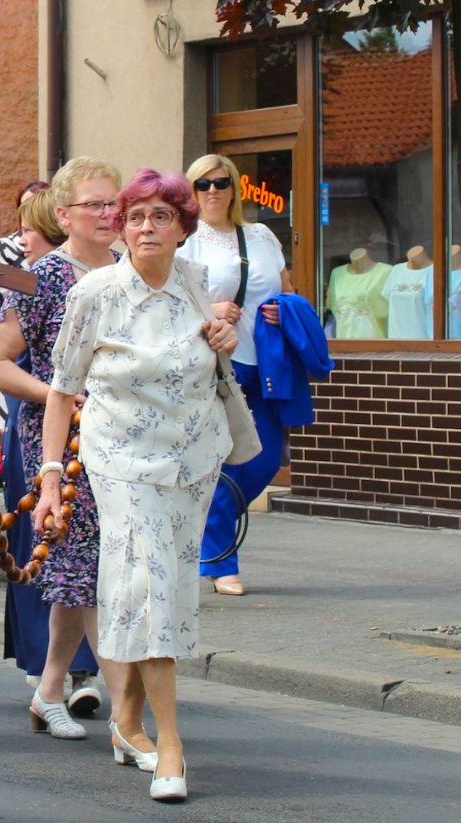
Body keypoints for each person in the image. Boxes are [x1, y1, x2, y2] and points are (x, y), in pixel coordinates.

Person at [34, 168, 237, 803]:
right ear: (121, 228)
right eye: (134, 217)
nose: (145, 228)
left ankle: (125, 722)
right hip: (121, 462)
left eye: (160, 217)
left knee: (159, 587)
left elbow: (212, 361)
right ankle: (170, 742)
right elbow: (62, 390)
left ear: (183, 226)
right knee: (150, 584)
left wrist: (226, 337)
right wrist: (48, 480)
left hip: (193, 462)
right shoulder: (96, 292)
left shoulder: (196, 283)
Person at [0, 159, 131, 740]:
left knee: (82, 570)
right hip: (60, 442)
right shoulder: (44, 276)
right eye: (92, 204)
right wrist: (60, 396)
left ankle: (49, 689)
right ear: (63, 215)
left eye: (111, 202)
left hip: (125, 438)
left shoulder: (131, 270)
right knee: (87, 565)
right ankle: (128, 713)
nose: (106, 213)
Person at [177, 154, 294, 597]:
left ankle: (203, 525)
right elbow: (167, 302)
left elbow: (288, 290)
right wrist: (210, 309)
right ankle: (221, 557)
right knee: (223, 460)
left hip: (267, 361)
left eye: (221, 182)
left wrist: (286, 312)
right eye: (203, 184)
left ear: (235, 188)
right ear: (191, 190)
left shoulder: (261, 235)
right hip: (217, 363)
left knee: (264, 459)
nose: (212, 191)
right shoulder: (186, 242)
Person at [0, 180, 52, 268]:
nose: (28, 211)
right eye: (23, 206)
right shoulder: (1, 248)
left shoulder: (67, 247)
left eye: (35, 206)